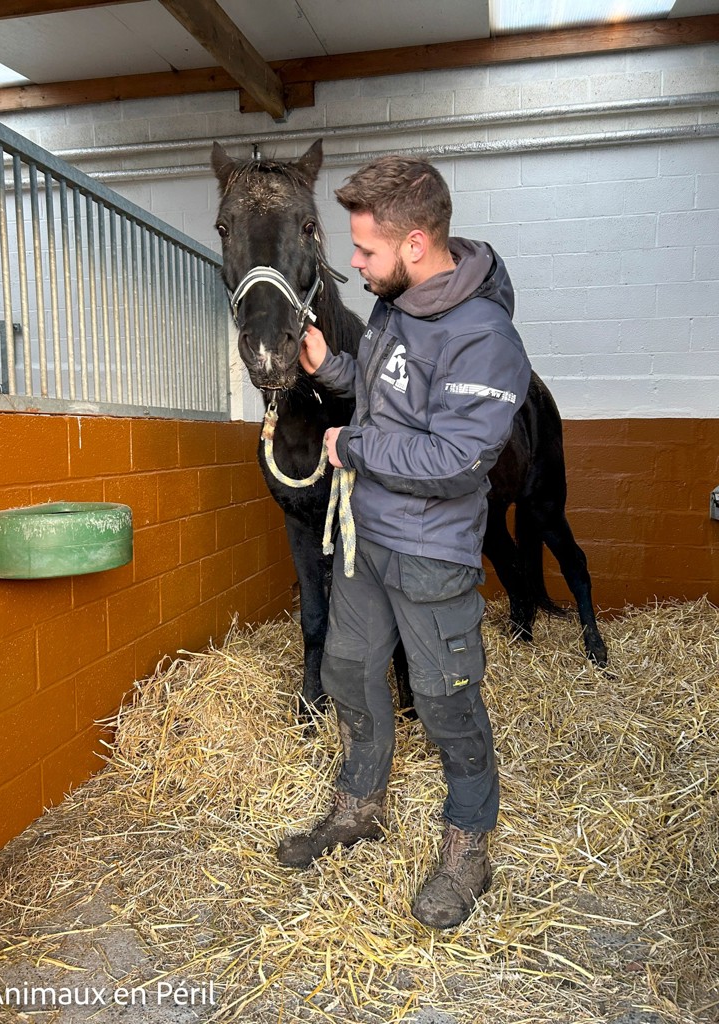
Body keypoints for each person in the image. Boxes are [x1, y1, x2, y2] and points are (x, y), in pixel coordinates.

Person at [276, 154, 532, 930]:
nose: (355, 264)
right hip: (367, 538)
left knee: (446, 699)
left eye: (366, 250)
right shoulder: (395, 308)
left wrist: (351, 447)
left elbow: (454, 459)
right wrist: (331, 369)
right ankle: (360, 806)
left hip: (430, 551)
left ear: (415, 244)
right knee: (349, 671)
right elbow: (386, 400)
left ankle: (469, 848)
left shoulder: (484, 338)